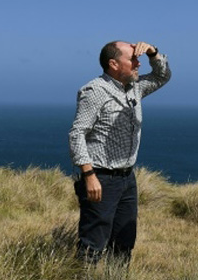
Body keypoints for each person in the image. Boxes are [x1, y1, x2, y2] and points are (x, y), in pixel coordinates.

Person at [68, 41, 171, 263]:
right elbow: (77, 134)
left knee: (124, 242)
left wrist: (153, 51)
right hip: (100, 177)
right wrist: (89, 175)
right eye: (132, 59)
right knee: (93, 243)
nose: (138, 63)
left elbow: (162, 76)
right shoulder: (94, 91)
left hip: (127, 178)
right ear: (113, 64)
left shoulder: (134, 86)